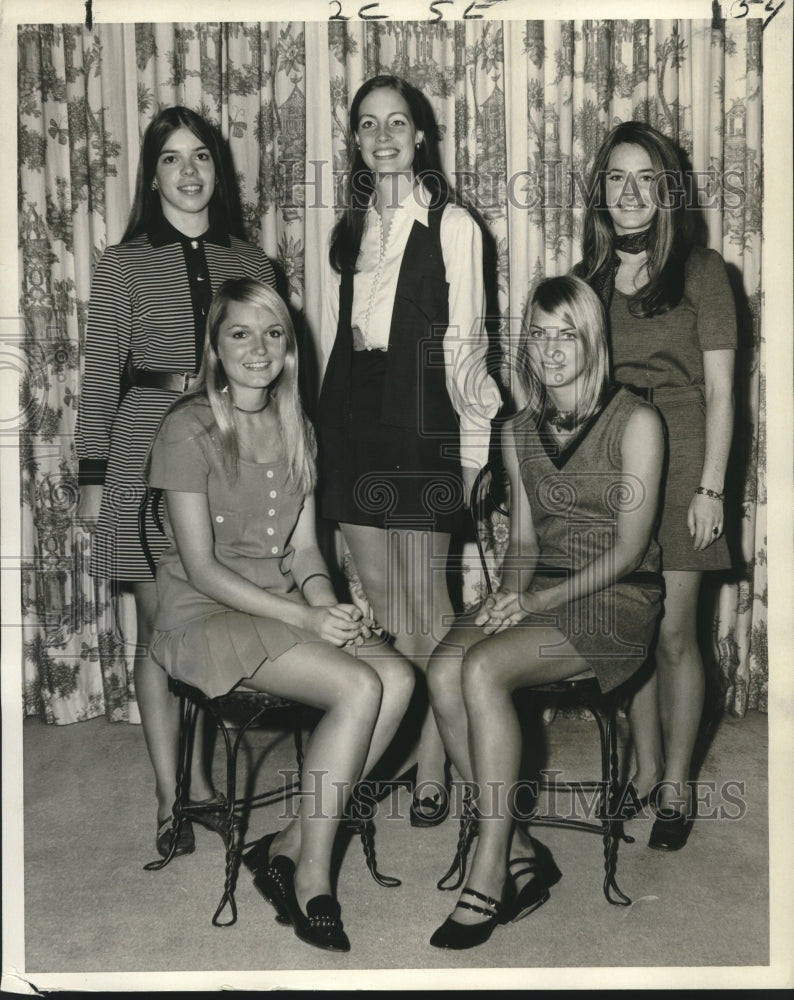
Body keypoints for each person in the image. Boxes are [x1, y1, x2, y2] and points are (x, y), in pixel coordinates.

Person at [146, 278, 415, 952]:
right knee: (359, 686)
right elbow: (202, 568)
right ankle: (312, 877)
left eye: (272, 333)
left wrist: (330, 606)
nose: (258, 348)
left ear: (289, 349)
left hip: (280, 606)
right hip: (204, 615)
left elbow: (303, 551)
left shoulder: (299, 427)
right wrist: (303, 620)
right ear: (215, 344)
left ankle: (289, 842)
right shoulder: (188, 427)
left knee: (401, 679)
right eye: (240, 332)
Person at [426, 275, 665, 949]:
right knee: (444, 667)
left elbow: (630, 550)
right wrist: (506, 600)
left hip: (619, 598)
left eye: (569, 334)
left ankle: (490, 867)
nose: (553, 349)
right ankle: (522, 846)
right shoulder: (517, 429)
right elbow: (526, 544)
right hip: (544, 585)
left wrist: (534, 601)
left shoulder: (637, 420)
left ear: (594, 340)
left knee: (482, 673)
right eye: (540, 333)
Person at [75, 107, 277, 860]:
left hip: (227, 449)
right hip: (144, 448)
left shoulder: (252, 261)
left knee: (208, 616)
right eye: (170, 158)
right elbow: (101, 378)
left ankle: (200, 780)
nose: (188, 172)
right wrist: (95, 478)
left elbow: (274, 371)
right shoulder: (123, 262)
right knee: (162, 631)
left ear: (218, 171)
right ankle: (175, 792)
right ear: (151, 173)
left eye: (201, 157)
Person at [317, 75, 501, 824]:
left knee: (427, 617)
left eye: (398, 123)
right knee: (387, 613)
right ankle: (426, 753)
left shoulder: (455, 225)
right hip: (351, 420)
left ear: (420, 135)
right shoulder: (348, 227)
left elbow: (469, 345)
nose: (384, 136)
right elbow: (329, 340)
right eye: (369, 124)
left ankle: (456, 779)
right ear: (356, 139)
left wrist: (471, 457)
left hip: (421, 419)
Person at [575, 121, 737, 850]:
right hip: (618, 469)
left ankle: (675, 784)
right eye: (616, 177)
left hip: (685, 465)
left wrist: (711, 489)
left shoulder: (704, 272)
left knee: (675, 632)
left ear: (667, 190)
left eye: (646, 177)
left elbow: (724, 392)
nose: (630, 192)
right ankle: (639, 770)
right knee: (631, 630)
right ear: (600, 191)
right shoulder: (590, 280)